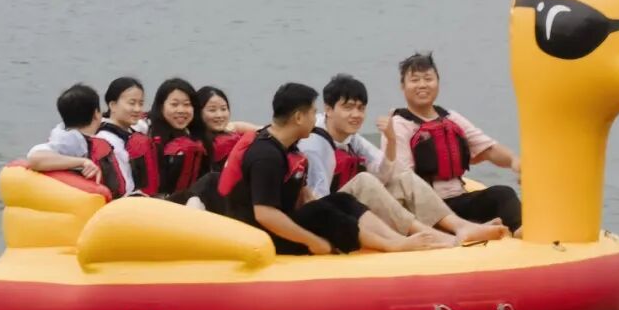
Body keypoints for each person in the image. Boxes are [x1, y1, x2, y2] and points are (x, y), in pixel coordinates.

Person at [184, 83, 454, 255]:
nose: (317, 118)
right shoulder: (265, 155)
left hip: (280, 224)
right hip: (262, 237)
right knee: (323, 213)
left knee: (340, 200)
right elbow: (265, 214)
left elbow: (301, 194)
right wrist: (311, 240)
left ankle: (396, 240)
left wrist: (322, 203)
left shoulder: (286, 145)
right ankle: (393, 246)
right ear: (298, 117)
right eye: (313, 113)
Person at [299, 74, 508, 244]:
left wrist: (390, 140)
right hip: (327, 219)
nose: (356, 114)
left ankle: (461, 226)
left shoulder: (350, 137)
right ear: (328, 109)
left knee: (401, 175)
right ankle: (433, 236)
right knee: (364, 181)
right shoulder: (315, 145)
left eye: (361, 108)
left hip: (348, 208)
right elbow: (318, 204)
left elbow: (385, 173)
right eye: (348, 107)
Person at [387, 52, 522, 233]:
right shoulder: (398, 125)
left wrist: (514, 161)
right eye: (415, 80)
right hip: (428, 208)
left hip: (459, 201)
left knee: (503, 194)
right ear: (402, 86)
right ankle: (473, 229)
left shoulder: (451, 118)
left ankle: (519, 231)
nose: (422, 85)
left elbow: (489, 149)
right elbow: (404, 181)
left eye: (428, 79)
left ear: (437, 83)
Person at [26, 83, 128, 197]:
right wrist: (82, 162)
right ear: (96, 114)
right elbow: (34, 158)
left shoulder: (68, 133)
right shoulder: (73, 140)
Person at [142, 78, 211, 197]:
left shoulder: (198, 136)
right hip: (152, 202)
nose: (181, 110)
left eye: (187, 105)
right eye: (174, 104)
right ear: (161, 106)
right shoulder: (145, 131)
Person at [95, 77, 145, 194]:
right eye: (132, 103)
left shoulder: (136, 130)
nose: (137, 109)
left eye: (141, 103)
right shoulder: (104, 140)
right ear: (113, 105)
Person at [197, 85, 259, 170]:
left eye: (223, 109)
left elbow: (236, 126)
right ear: (198, 112)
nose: (219, 115)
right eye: (212, 110)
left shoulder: (229, 129)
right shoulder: (224, 142)